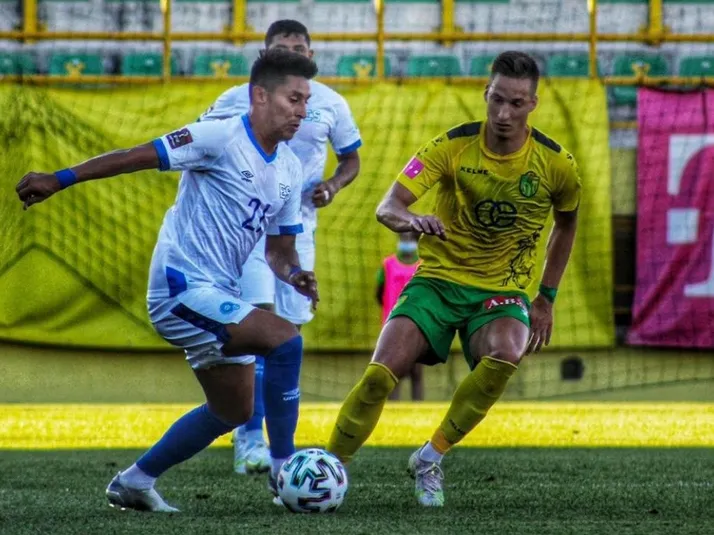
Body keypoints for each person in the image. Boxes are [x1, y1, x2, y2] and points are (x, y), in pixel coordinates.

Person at [15, 49, 320, 513]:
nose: (302, 111)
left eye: (306, 102)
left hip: (219, 293)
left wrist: (295, 274)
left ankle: (134, 482)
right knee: (285, 341)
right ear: (260, 96)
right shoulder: (219, 136)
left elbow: (279, 251)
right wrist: (60, 178)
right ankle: (285, 472)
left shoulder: (290, 169)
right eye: (293, 99)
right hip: (180, 288)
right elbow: (135, 156)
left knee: (233, 410)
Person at [326, 50, 581, 507]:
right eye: (497, 99)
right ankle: (326, 470)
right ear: (485, 93)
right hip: (439, 280)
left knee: (507, 352)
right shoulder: (451, 146)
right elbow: (387, 206)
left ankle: (431, 456)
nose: (504, 113)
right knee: (379, 377)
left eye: (516, 103)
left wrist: (546, 297)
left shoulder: (556, 164)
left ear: (533, 104)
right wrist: (411, 219)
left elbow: (566, 224)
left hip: (501, 289)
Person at [199, 19, 362, 476]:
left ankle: (277, 445)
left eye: (298, 48)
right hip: (247, 230)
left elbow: (351, 158)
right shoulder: (236, 99)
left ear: (311, 54)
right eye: (282, 47)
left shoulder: (329, 103)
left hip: (296, 230)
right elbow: (201, 144)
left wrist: (332, 185)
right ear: (264, 56)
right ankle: (250, 439)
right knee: (259, 321)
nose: (292, 53)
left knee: (287, 334)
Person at [375, 231, 424, 401]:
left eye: (409, 238)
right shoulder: (387, 264)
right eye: (403, 238)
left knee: (416, 371)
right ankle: (392, 407)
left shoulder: (423, 265)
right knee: (392, 370)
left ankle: (418, 407)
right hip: (393, 324)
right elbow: (379, 293)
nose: (406, 242)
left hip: (419, 324)